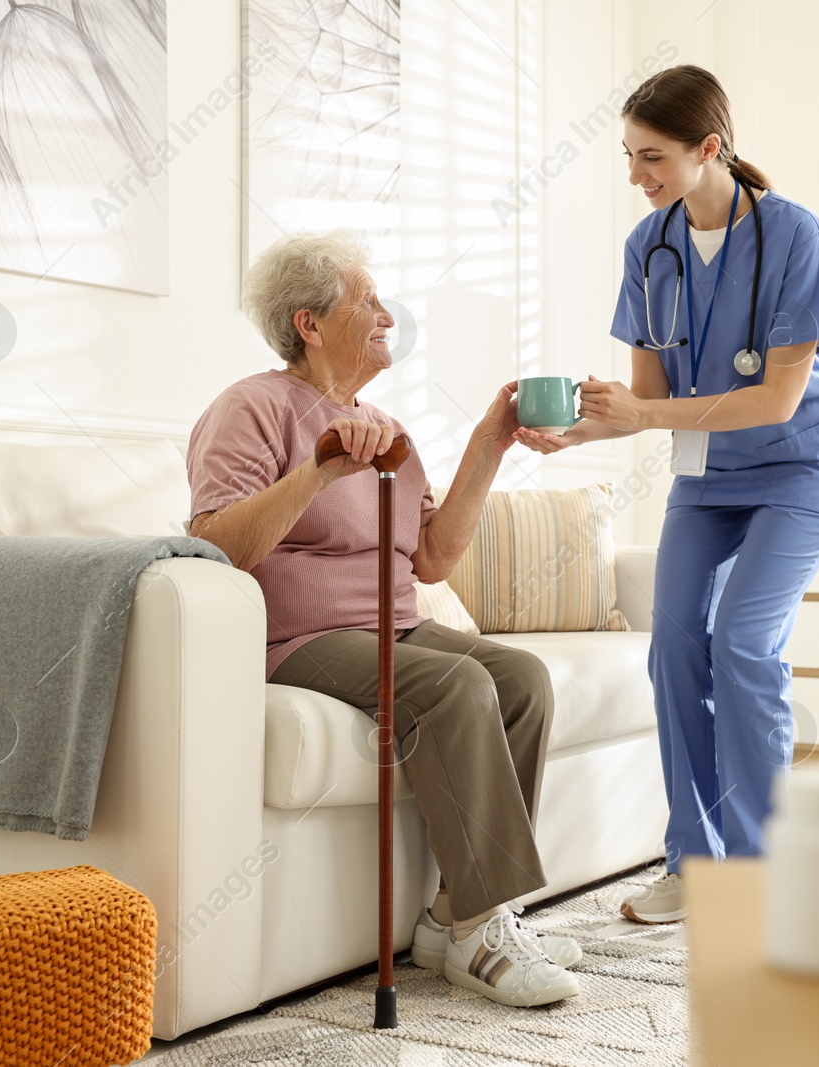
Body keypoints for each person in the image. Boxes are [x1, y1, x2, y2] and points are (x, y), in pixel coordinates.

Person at [186, 230, 581, 1008]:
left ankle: (454, 914)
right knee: (457, 685)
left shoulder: (385, 425)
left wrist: (489, 443)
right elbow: (214, 546)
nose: (387, 316)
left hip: (394, 625)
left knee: (523, 679)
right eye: (368, 300)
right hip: (297, 640)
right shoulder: (251, 407)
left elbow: (432, 557)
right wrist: (318, 470)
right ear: (309, 321)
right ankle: (480, 926)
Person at [518, 65, 819, 924]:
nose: (638, 177)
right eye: (630, 157)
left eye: (654, 157)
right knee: (673, 647)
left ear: (711, 147)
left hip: (800, 468)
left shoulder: (794, 235)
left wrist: (643, 411)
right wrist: (580, 429)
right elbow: (646, 396)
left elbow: (777, 399)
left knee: (744, 642)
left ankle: (758, 869)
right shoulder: (651, 247)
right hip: (708, 475)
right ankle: (692, 861)